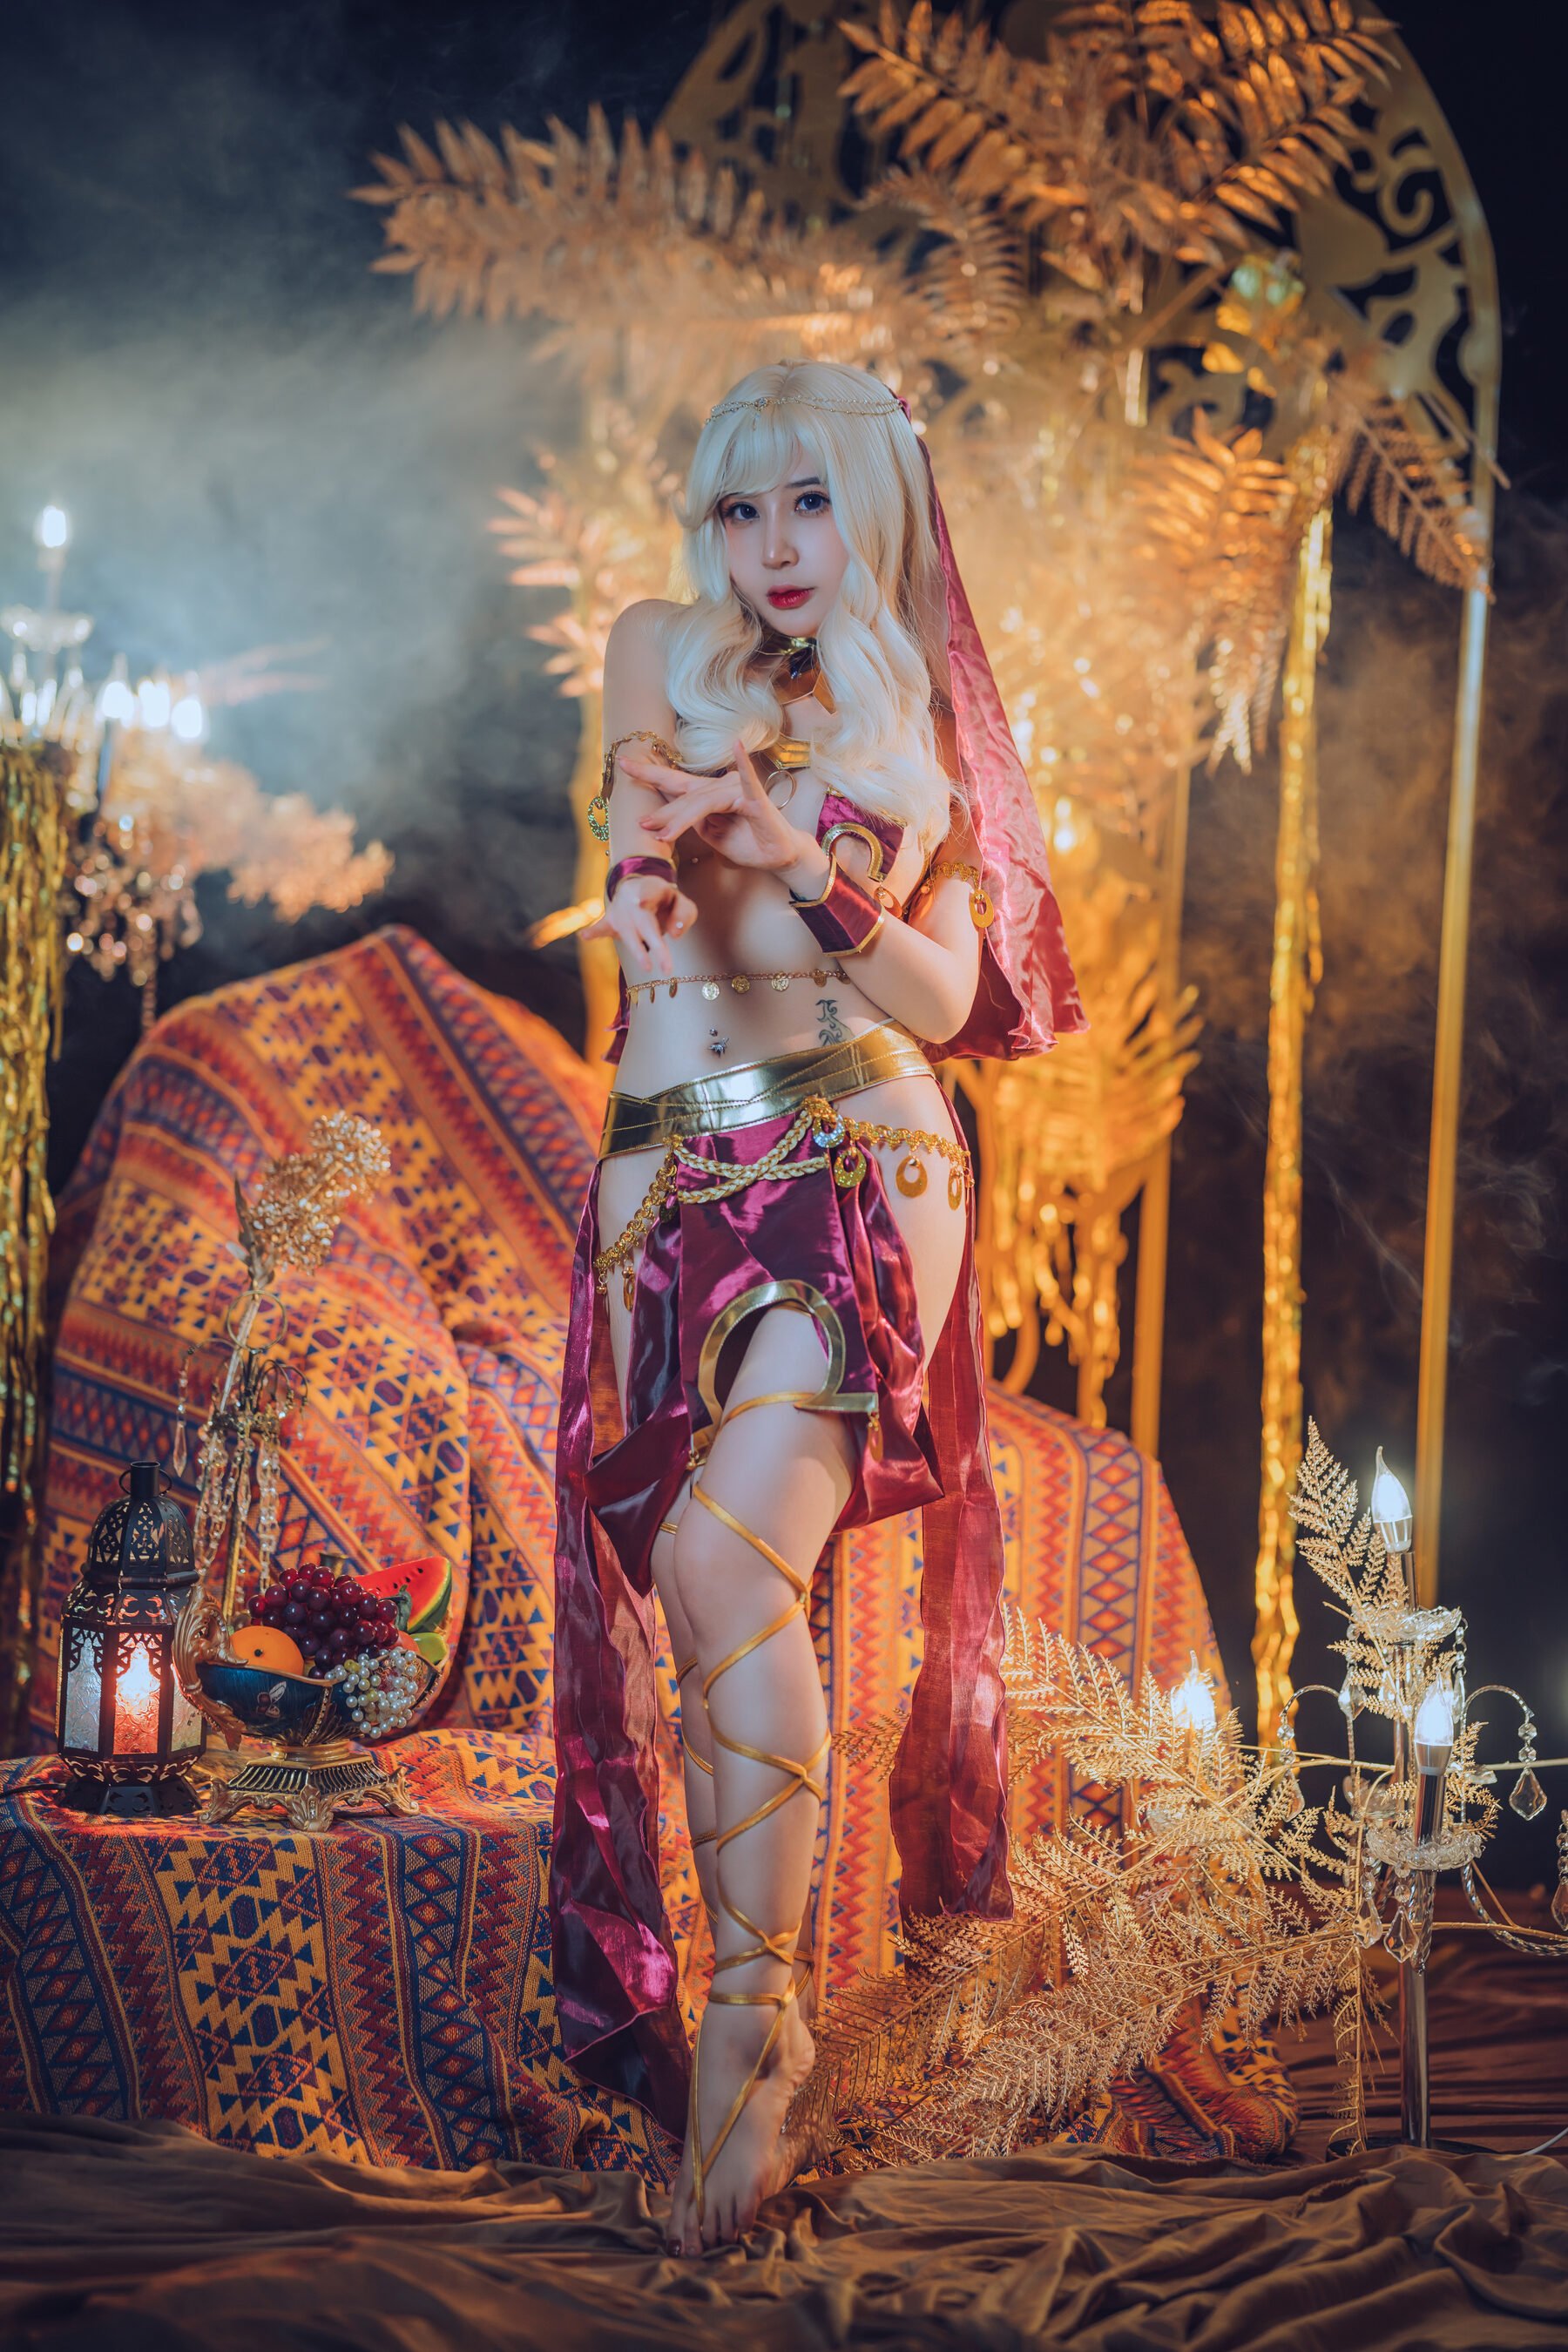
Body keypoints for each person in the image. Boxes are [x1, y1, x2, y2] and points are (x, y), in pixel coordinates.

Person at [548, 359, 1085, 2254]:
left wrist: (801, 869)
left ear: (881, 513)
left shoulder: (918, 719)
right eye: (740, 506)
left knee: (723, 1563)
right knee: (703, 1595)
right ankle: (754, 2018)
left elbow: (949, 1003)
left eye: (811, 506)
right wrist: (646, 883)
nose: (773, 547)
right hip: (662, 1162)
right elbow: (645, 849)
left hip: (855, 1155)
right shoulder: (652, 646)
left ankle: (750, 2030)